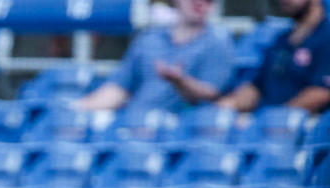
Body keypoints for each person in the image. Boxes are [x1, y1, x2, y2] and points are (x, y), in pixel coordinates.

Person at [74, 0, 235, 113]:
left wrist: (180, 81)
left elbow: (212, 95)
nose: (200, 3)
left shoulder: (219, 42)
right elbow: (119, 89)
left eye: (208, 0)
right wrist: (78, 108)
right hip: (133, 121)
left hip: (181, 131)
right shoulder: (149, 38)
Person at [218, 0, 330, 114]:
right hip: (267, 122)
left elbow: (322, 92)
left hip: (311, 125)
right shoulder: (281, 39)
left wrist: (276, 117)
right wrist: (230, 104)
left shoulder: (326, 37)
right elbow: (257, 86)